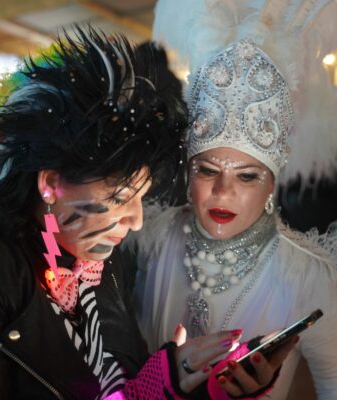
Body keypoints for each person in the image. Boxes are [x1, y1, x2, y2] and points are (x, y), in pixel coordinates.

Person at [0, 28, 293, 400]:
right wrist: (158, 388)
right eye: (120, 197)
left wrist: (206, 388)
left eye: (142, 196)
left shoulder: (102, 261)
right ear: (51, 184)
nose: (136, 220)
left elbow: (126, 381)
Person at [129, 1, 337, 399]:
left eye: (247, 176)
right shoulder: (146, 240)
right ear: (187, 170)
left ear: (272, 184)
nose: (223, 192)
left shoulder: (309, 278)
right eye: (208, 171)